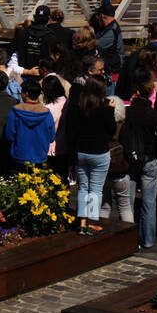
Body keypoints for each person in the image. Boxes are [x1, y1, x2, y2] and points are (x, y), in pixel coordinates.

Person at [123, 67, 157, 248]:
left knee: (127, 201)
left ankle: (127, 237)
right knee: (149, 203)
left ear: (136, 92)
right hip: (149, 159)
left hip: (131, 158)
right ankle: (148, 239)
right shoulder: (155, 115)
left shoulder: (128, 113)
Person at [66, 75, 117, 233]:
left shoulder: (79, 107)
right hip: (99, 152)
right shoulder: (105, 109)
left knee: (83, 188)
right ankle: (91, 222)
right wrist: (111, 111)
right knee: (96, 189)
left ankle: (82, 223)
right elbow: (112, 130)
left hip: (82, 151)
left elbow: (73, 131)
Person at [4, 78, 55, 171]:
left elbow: (9, 136)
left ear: (26, 93)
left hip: (19, 156)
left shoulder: (15, 111)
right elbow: (52, 137)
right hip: (40, 156)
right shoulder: (47, 113)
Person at [92, 1, 124, 95]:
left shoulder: (111, 31)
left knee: (108, 102)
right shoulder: (109, 27)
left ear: (102, 16)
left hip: (112, 72)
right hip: (111, 69)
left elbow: (93, 44)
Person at [42, 74, 69, 178]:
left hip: (50, 149)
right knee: (63, 179)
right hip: (65, 148)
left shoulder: (47, 108)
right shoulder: (68, 104)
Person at [16, 5, 57, 73]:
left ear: (34, 17)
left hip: (25, 74)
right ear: (48, 18)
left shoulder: (23, 33)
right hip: (44, 74)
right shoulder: (51, 35)